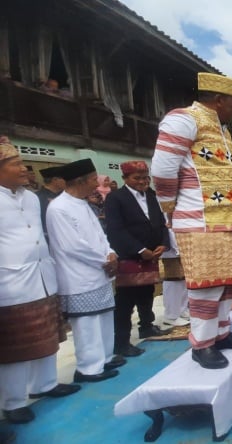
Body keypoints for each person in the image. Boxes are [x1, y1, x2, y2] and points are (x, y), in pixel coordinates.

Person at [150, 72, 232, 370]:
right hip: (200, 220)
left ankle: (221, 333)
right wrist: (169, 207)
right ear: (219, 100)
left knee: (230, 282)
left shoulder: (223, 131)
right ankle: (203, 344)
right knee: (206, 285)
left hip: (229, 220)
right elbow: (162, 168)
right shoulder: (184, 119)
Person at [0, 139, 79, 425]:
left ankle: (45, 384)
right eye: (17, 164)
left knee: (47, 335)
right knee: (16, 348)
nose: (25, 169)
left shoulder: (31, 198)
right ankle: (13, 402)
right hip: (9, 283)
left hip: (42, 277)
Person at [47, 159, 123, 383]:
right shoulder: (59, 208)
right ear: (80, 181)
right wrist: (104, 260)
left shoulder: (83, 203)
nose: (97, 184)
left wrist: (111, 253)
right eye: (93, 179)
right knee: (87, 325)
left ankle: (104, 358)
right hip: (78, 276)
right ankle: (88, 368)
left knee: (104, 318)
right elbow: (72, 246)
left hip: (100, 271)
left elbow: (100, 235)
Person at [104, 161, 172, 358]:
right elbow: (116, 230)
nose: (142, 182)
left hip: (151, 254)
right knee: (126, 300)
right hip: (130, 256)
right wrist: (140, 249)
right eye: (137, 178)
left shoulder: (151, 195)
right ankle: (122, 342)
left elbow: (160, 222)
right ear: (125, 179)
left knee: (147, 292)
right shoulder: (115, 198)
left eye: (145, 178)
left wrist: (163, 243)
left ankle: (147, 326)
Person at [36, 165, 65, 237]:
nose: (67, 181)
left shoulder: (65, 196)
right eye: (65, 178)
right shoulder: (37, 197)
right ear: (55, 180)